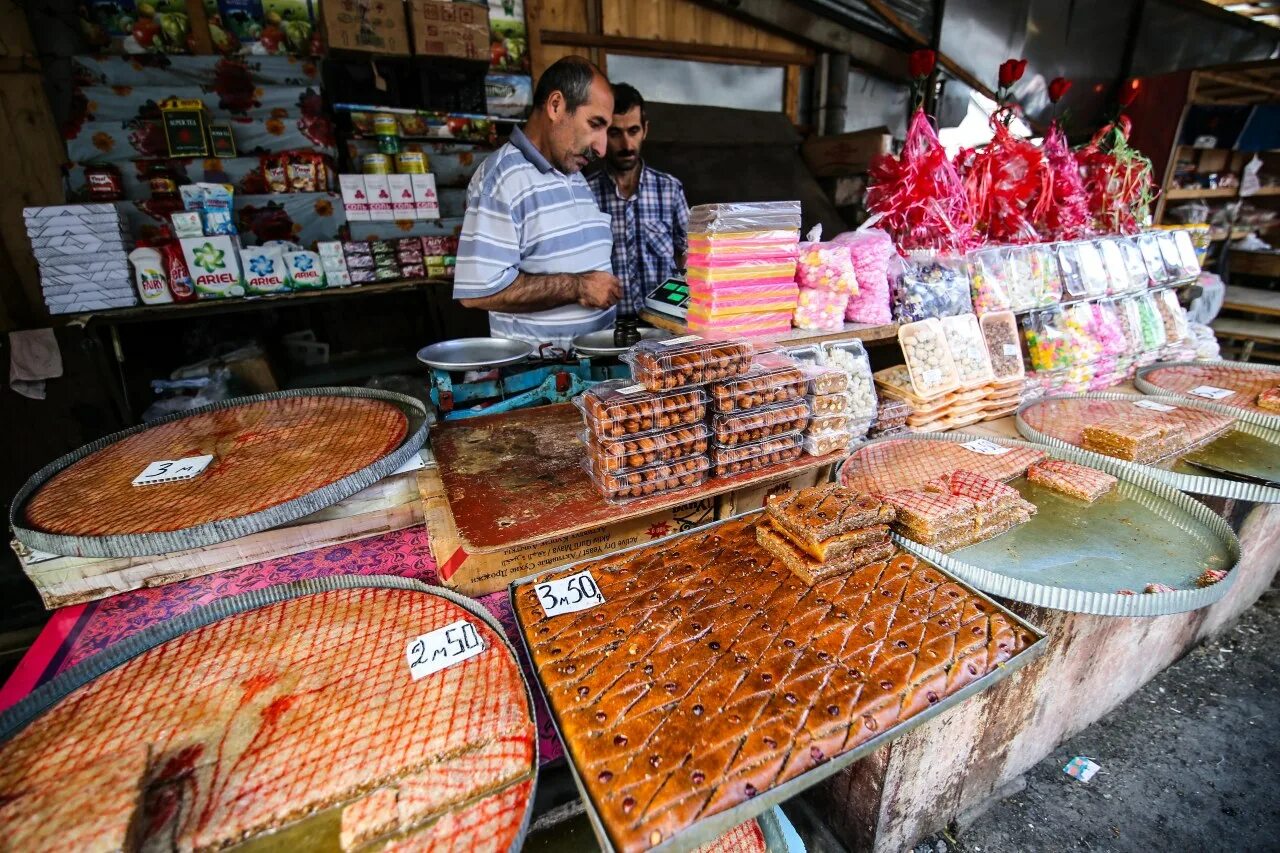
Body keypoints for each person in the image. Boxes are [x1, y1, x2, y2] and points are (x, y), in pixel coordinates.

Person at [454, 56, 622, 349]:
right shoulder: (502, 179)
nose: (602, 147)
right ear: (556, 106)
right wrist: (578, 287)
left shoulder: (573, 172)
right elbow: (478, 292)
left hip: (592, 368)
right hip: (543, 378)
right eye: (595, 124)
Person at [588, 83, 688, 316]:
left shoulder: (669, 189)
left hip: (664, 323)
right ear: (603, 133)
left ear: (645, 130)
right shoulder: (586, 194)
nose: (626, 145)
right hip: (608, 326)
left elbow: (689, 253)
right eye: (615, 133)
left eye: (633, 131)